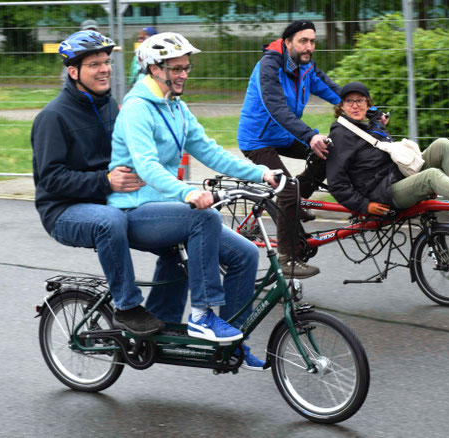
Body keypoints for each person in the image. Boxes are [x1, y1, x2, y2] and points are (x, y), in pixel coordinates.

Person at [109, 32, 279, 368]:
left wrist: (259, 173)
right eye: (176, 68)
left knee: (245, 253)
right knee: (204, 218)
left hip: (167, 210)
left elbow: (209, 151)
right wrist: (187, 192)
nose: (184, 73)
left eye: (186, 67)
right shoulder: (136, 109)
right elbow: (147, 166)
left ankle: (232, 343)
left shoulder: (177, 107)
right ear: (154, 69)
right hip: (135, 211)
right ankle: (203, 314)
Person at [32, 30, 184, 337]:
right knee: (109, 221)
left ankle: (161, 324)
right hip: (64, 210)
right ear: (73, 71)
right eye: (94, 64)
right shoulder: (53, 117)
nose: (104, 69)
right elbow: (51, 179)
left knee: (179, 237)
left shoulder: (110, 105)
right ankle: (127, 308)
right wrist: (106, 182)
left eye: (106, 62)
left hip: (110, 200)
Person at [326, 81, 449, 222]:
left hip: (397, 176)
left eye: (360, 100)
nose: (355, 106)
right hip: (382, 194)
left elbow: (374, 119)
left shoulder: (371, 125)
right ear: (341, 106)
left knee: (442, 145)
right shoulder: (341, 135)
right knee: (431, 176)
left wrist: (377, 118)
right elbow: (336, 183)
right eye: (349, 101)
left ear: (368, 103)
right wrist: (364, 206)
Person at [237, 20, 343, 279]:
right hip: (258, 140)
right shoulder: (269, 66)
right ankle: (287, 258)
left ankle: (291, 206)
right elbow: (276, 108)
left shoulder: (307, 67)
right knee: (288, 187)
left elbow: (333, 91)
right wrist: (310, 136)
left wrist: (367, 109)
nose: (309, 47)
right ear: (287, 43)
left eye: (313, 41)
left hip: (285, 135)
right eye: (303, 41)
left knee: (332, 153)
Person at [60, 20, 101, 86]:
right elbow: (65, 77)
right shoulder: (73, 51)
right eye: (87, 32)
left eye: (93, 32)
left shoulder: (106, 51)